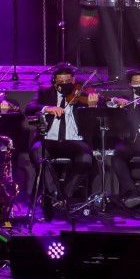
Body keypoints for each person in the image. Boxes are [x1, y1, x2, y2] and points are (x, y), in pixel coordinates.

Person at [25, 62, 98, 219]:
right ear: (54, 82)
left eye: (67, 81)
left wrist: (92, 107)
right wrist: (47, 108)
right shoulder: (45, 91)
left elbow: (95, 123)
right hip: (49, 139)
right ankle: (55, 195)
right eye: (60, 82)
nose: (64, 84)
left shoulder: (81, 94)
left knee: (86, 158)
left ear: (73, 80)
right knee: (38, 152)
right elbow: (29, 107)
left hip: (74, 140)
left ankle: (61, 197)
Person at [110, 67, 140, 209]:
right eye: (136, 83)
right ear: (130, 84)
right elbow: (109, 103)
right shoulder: (126, 98)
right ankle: (131, 192)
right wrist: (115, 102)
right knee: (117, 156)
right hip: (131, 141)